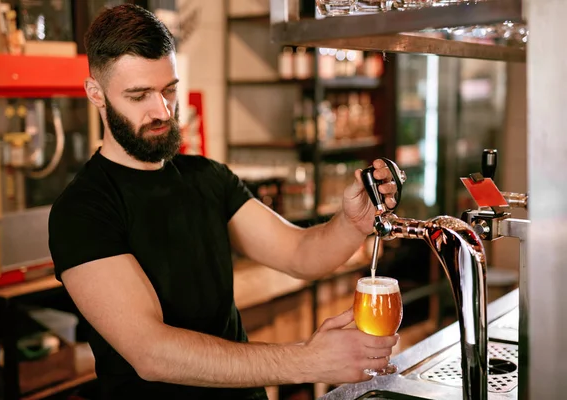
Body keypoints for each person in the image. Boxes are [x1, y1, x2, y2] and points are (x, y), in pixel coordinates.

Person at [48, 4, 400, 400]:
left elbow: (301, 253)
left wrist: (351, 222)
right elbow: (152, 353)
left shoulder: (207, 177)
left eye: (169, 89)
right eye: (138, 95)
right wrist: (308, 359)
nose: (162, 110)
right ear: (96, 94)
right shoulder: (82, 210)